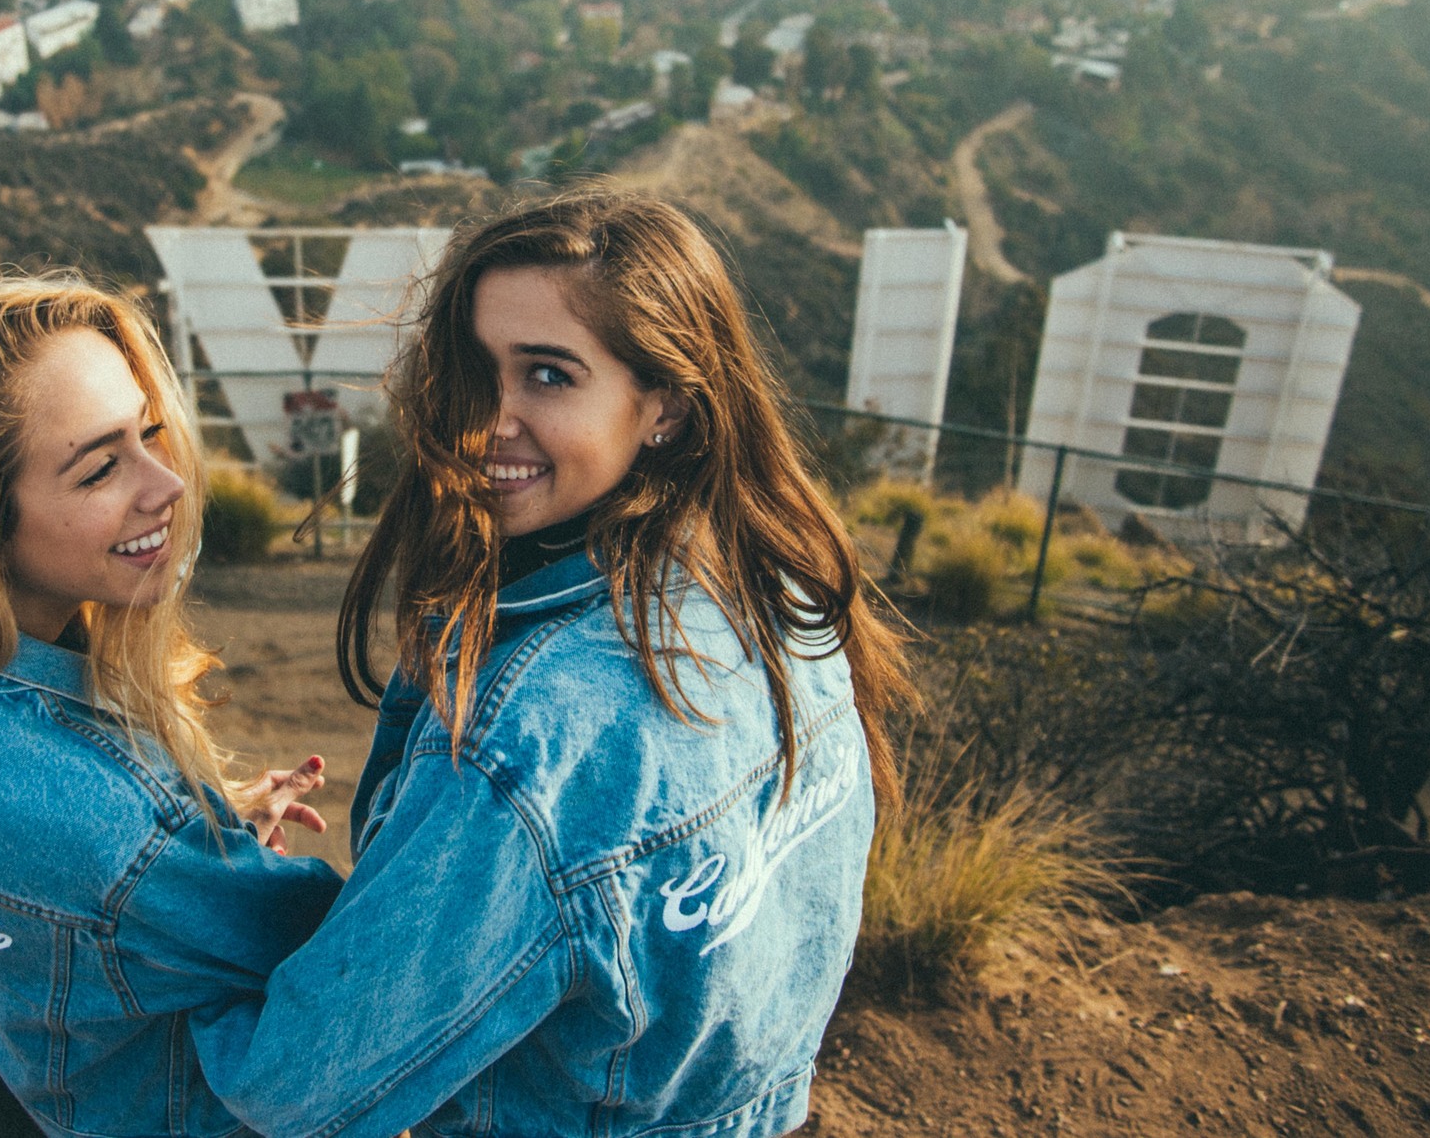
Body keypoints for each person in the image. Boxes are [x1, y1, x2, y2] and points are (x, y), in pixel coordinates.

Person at [194, 188, 912, 1138]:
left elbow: (299, 1085)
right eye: (474, 368)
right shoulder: (782, 592)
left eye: (548, 375)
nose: (487, 419)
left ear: (666, 407)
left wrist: (190, 904)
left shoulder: (536, 744)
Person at [0, 275, 338, 1138]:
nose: (166, 483)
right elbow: (338, 957)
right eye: (100, 467)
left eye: (149, 434)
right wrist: (184, 862)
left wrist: (206, 843)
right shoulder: (113, 832)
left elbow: (60, 881)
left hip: (38, 1093)